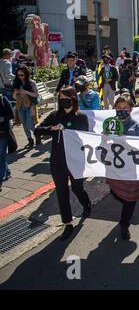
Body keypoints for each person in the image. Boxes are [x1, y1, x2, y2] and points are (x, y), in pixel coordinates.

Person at [34, 86, 92, 241]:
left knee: (77, 188)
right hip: (57, 162)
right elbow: (37, 130)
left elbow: (85, 138)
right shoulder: (54, 115)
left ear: (73, 98)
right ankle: (67, 223)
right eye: (60, 99)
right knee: (61, 193)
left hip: (75, 161)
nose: (63, 101)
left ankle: (86, 204)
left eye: (65, 98)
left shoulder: (81, 117)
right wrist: (52, 128)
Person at [106, 96, 139, 240]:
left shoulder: (136, 127)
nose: (121, 110)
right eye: (118, 108)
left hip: (130, 170)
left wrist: (126, 141)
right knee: (115, 192)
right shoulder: (110, 124)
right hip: (115, 168)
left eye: (125, 108)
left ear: (131, 109)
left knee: (130, 200)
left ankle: (124, 225)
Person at [13, 65, 40, 147]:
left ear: (26, 74)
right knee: (24, 124)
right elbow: (14, 97)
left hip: (30, 106)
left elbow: (36, 95)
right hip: (20, 106)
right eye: (18, 75)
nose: (20, 77)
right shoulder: (17, 83)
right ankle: (30, 140)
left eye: (22, 75)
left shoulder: (32, 83)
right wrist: (15, 93)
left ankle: (38, 134)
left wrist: (25, 92)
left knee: (29, 123)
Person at [0, 93, 14, 191]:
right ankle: (7, 171)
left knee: (1, 156)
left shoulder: (3, 99)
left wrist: (2, 118)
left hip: (2, 134)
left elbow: (11, 114)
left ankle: (0, 179)